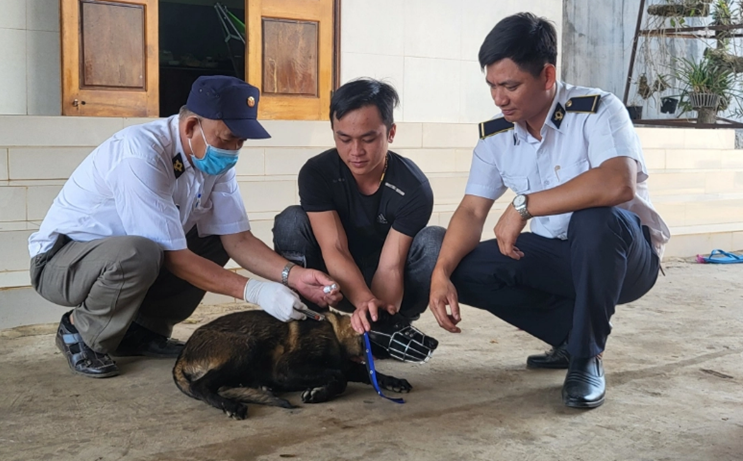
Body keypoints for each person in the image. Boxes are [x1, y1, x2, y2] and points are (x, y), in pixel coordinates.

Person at [428, 13, 669, 408]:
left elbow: (616, 182)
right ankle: (572, 338)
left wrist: (524, 205)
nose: (498, 98)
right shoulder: (497, 137)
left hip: (623, 259)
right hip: (558, 257)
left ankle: (586, 356)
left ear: (547, 75)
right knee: (462, 268)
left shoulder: (597, 110)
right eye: (491, 85)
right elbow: (472, 211)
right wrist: (439, 274)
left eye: (510, 86)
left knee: (594, 217)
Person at [29, 76, 341, 379]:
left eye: (240, 141)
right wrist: (256, 291)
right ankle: (79, 331)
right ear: (192, 126)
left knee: (212, 238)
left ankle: (141, 331)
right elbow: (172, 255)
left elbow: (238, 238)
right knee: (141, 252)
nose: (233, 150)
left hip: (123, 262)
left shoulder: (212, 158)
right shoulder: (141, 153)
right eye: (227, 138)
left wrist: (294, 276)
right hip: (63, 263)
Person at [272, 78, 444, 358]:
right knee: (292, 221)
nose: (356, 152)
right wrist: (362, 299)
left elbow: (391, 266)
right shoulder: (317, 173)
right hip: (336, 280)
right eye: (344, 139)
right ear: (333, 132)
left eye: (368, 138)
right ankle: (311, 325)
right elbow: (334, 248)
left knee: (435, 240)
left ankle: (389, 329)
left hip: (389, 283)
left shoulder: (413, 187)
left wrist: (374, 314)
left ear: (390, 133)